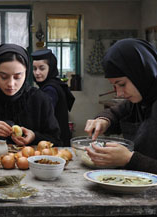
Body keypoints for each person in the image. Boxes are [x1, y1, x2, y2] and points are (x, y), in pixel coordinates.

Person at [84, 38, 157, 173]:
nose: (119, 93)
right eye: (114, 86)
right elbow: (116, 113)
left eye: (122, 84)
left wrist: (130, 158)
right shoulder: (140, 100)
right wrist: (103, 120)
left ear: (141, 74)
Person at [31, 49, 75, 146]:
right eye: (34, 68)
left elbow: (42, 116)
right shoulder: (55, 83)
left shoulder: (49, 89)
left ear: (50, 68)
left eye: (42, 68)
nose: (37, 72)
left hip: (55, 142)